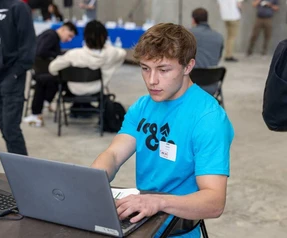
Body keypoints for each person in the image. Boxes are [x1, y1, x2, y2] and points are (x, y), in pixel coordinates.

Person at [91, 23, 234, 237]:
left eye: (163, 70)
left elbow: (214, 202)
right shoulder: (143, 106)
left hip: (177, 228)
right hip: (142, 221)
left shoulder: (208, 119)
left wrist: (157, 201)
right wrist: (91, 182)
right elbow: (113, 154)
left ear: (188, 66)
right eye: (145, 68)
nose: (151, 81)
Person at [0, 0, 36, 155]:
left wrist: (14, 75)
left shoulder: (19, 8)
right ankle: (17, 169)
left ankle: (22, 173)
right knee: (5, 129)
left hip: (12, 78)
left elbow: (28, 45)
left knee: (11, 130)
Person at [48, 20, 126, 98]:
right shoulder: (111, 54)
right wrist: (107, 46)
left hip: (75, 89)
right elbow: (122, 53)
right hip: (97, 89)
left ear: (85, 37)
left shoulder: (74, 54)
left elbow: (52, 67)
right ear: (105, 37)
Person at [23, 22, 78, 127]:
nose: (69, 39)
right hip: (42, 72)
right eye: (69, 36)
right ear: (63, 29)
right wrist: (59, 56)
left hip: (39, 71)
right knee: (60, 78)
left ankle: (47, 102)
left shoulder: (49, 35)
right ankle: (43, 105)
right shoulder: (51, 36)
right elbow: (41, 52)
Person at [189, 8, 224, 95]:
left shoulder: (187, 34)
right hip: (211, 86)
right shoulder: (219, 37)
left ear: (193, 20)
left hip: (189, 85)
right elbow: (218, 58)